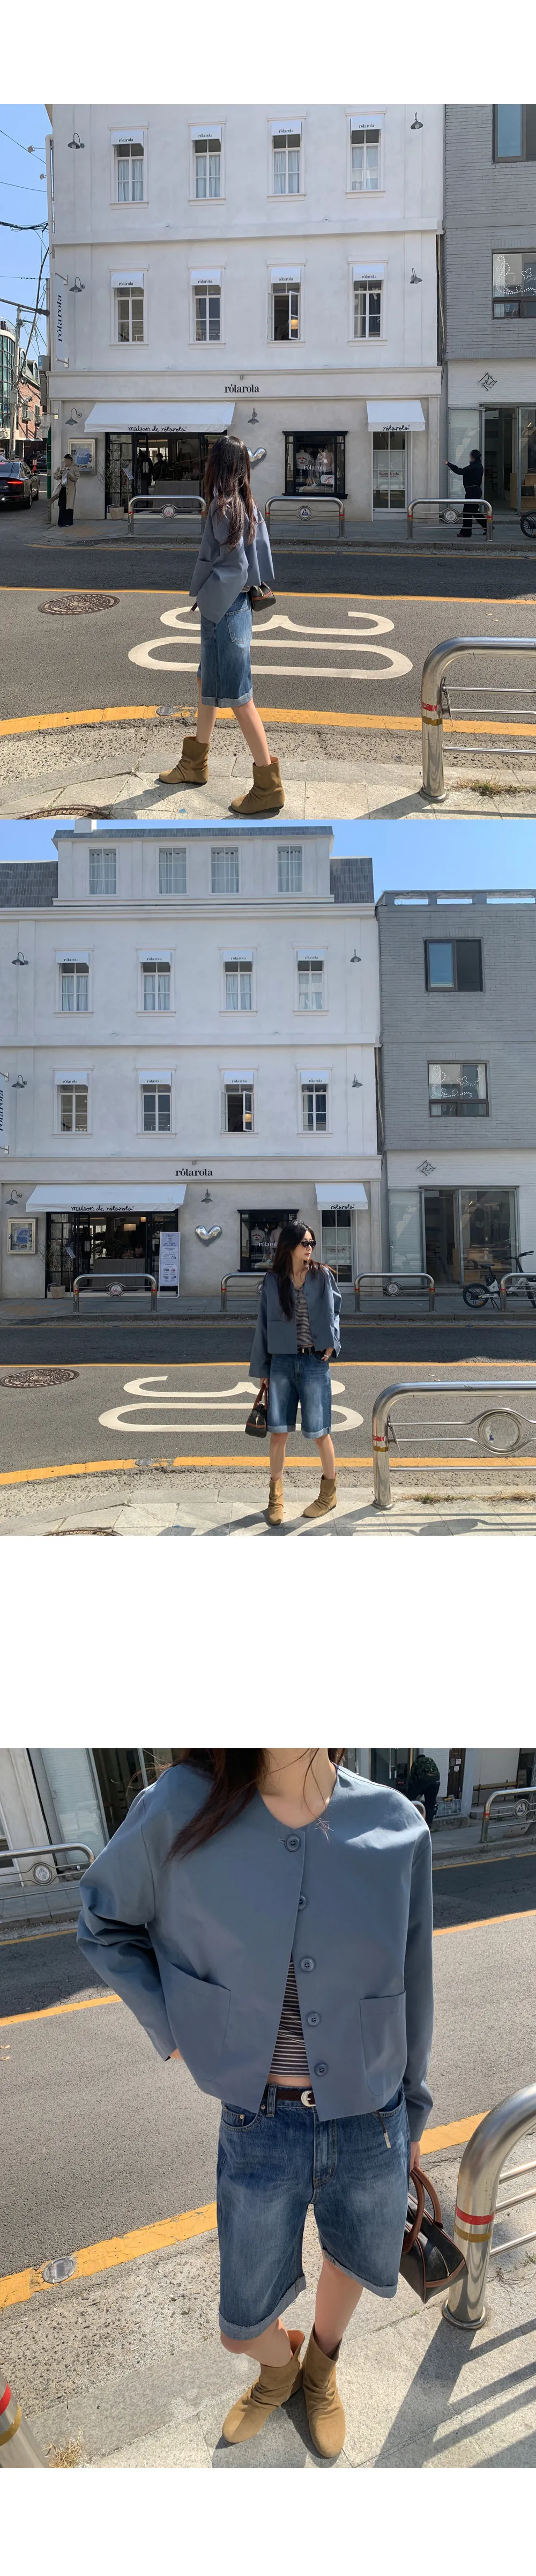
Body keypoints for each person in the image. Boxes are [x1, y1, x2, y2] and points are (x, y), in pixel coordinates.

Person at [77, 1747, 434, 2459]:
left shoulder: (397, 1824)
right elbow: (103, 1921)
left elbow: (415, 1976)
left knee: (353, 2260)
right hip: (259, 2119)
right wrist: (174, 2025)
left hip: (371, 2115)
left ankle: (320, 2370)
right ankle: (278, 2365)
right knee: (239, 2324)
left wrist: (415, 2108)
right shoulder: (179, 1806)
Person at [159, 434, 282, 815]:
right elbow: (258, 562)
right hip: (238, 607)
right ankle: (195, 763)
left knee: (240, 698)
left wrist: (209, 597)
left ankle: (269, 786)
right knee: (206, 682)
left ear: (217, 465)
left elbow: (235, 567)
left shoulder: (222, 506)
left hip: (225, 610)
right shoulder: (248, 504)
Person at [248, 1218, 341, 1525]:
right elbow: (263, 1326)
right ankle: (275, 1499)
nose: (310, 1248)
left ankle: (328, 1495)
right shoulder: (273, 1281)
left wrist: (332, 1345)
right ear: (290, 1246)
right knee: (278, 1434)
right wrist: (263, 1368)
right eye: (305, 1243)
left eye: (312, 1243)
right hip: (282, 1364)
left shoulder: (322, 1276)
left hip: (315, 1362)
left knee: (320, 1433)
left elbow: (335, 1312)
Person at [444, 449, 487, 539]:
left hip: (472, 492)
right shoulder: (479, 466)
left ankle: (466, 532)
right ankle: (488, 527)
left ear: (473, 457)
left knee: (467, 512)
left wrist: (449, 464)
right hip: (474, 491)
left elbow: (460, 471)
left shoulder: (473, 467)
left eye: (471, 456)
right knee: (473, 511)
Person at [53, 451, 79, 527]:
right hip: (62, 489)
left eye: (68, 461)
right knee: (62, 506)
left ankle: (69, 522)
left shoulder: (75, 469)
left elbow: (76, 479)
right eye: (65, 461)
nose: (66, 462)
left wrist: (69, 474)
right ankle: (61, 523)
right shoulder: (60, 468)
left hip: (70, 490)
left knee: (69, 506)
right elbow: (55, 477)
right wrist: (61, 473)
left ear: (71, 461)